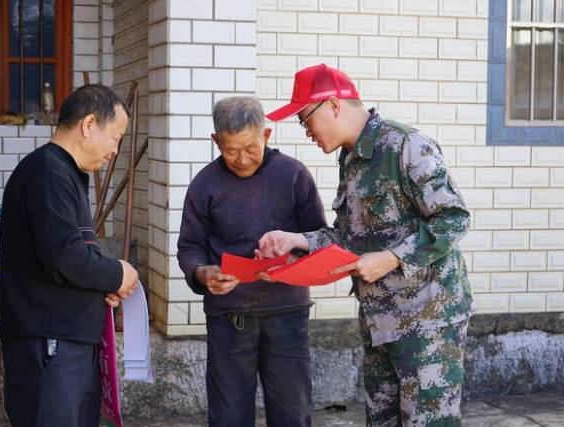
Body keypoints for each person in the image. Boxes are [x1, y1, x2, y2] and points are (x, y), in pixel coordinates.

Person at [257, 64, 473, 426]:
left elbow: (453, 218)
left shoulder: (405, 146)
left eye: (304, 119)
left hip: (427, 324)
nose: (305, 130)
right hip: (379, 323)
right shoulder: (352, 159)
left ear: (333, 105)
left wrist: (391, 258)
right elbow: (348, 236)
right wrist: (296, 240)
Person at [177, 96, 326, 427]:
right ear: (216, 141)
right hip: (229, 315)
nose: (242, 159)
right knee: (228, 414)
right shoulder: (205, 185)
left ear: (267, 135)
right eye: (231, 151)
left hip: (287, 312)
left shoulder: (293, 175)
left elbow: (320, 238)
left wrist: (289, 258)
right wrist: (203, 273)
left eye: (250, 148)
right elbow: (189, 247)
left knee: (292, 411)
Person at [0, 84, 139, 427]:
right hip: (49, 346)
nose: (116, 150)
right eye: (115, 137)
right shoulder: (47, 172)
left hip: (66, 344)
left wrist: (102, 282)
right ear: (89, 125)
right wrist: (117, 274)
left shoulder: (65, 173)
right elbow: (65, 258)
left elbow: (67, 255)